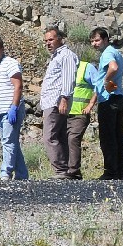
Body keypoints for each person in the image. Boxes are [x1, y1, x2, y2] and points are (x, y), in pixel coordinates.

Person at [0, 36, 28, 180]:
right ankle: (22, 175)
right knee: (10, 142)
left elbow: (18, 86)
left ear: (2, 49)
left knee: (8, 141)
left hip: (11, 109)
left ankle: (5, 173)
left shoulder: (10, 63)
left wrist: (14, 107)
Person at [39, 26, 79, 179]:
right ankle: (67, 170)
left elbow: (68, 78)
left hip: (56, 102)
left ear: (60, 39)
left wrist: (64, 98)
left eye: (51, 39)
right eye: (46, 41)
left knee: (50, 136)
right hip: (52, 101)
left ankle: (61, 170)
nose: (48, 43)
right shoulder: (56, 57)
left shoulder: (66, 56)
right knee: (60, 136)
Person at [89, 28, 123, 180]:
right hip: (118, 97)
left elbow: (114, 67)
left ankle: (111, 173)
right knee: (118, 136)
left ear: (106, 40)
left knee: (108, 137)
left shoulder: (107, 54)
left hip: (108, 99)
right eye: (92, 41)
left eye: (97, 40)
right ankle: (121, 172)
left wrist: (106, 81)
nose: (94, 44)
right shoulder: (115, 52)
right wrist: (115, 81)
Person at [64, 55, 98, 180]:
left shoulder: (86, 67)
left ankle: (73, 171)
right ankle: (65, 170)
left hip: (80, 113)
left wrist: (90, 105)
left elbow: (98, 85)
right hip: (65, 114)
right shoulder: (64, 69)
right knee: (63, 140)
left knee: (73, 139)